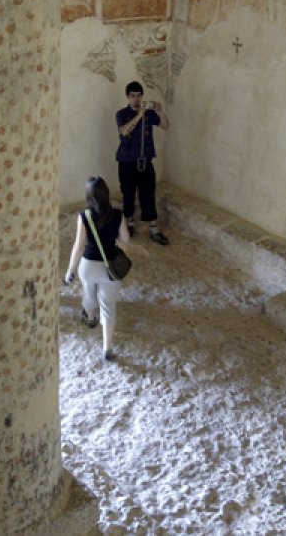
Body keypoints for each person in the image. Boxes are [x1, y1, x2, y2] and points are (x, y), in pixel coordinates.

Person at [65, 176, 131, 361]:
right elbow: (125, 240)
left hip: (88, 265)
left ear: (88, 196)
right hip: (110, 268)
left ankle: (91, 318)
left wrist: (70, 269)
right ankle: (107, 348)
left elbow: (79, 246)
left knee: (88, 293)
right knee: (108, 307)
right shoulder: (118, 215)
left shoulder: (84, 216)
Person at [115, 80, 171, 245]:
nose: (136, 99)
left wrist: (160, 112)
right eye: (133, 96)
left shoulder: (149, 114)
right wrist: (139, 115)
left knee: (148, 194)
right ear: (128, 97)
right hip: (127, 161)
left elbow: (166, 126)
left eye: (139, 95)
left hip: (145, 161)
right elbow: (124, 131)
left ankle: (154, 229)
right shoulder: (121, 114)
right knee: (128, 194)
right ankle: (130, 224)